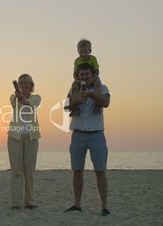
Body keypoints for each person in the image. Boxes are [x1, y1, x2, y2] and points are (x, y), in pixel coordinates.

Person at [65, 63, 111, 216]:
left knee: (100, 171)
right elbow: (67, 107)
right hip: (78, 134)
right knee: (77, 171)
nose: (84, 77)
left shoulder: (102, 88)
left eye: (87, 74)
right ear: (78, 77)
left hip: (96, 134)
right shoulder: (73, 89)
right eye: (81, 74)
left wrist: (90, 95)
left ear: (92, 75)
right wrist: (78, 99)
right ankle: (77, 204)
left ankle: (104, 206)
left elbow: (106, 103)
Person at [7, 74, 41, 210]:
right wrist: (19, 97)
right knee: (16, 171)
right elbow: (16, 103)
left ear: (31, 85)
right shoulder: (13, 97)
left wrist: (23, 98)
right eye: (22, 82)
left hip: (32, 137)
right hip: (15, 136)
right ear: (19, 85)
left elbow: (29, 104)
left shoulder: (36, 97)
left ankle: (29, 201)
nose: (25, 84)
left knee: (29, 171)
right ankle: (16, 202)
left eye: (27, 82)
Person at [70, 39, 102, 116]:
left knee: (98, 84)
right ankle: (75, 107)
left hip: (93, 77)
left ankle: (97, 105)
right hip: (80, 78)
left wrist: (93, 79)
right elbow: (75, 73)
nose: (83, 54)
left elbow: (97, 71)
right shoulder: (77, 61)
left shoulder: (93, 59)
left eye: (85, 52)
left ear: (90, 51)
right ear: (78, 52)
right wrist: (77, 81)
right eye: (81, 52)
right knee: (74, 87)